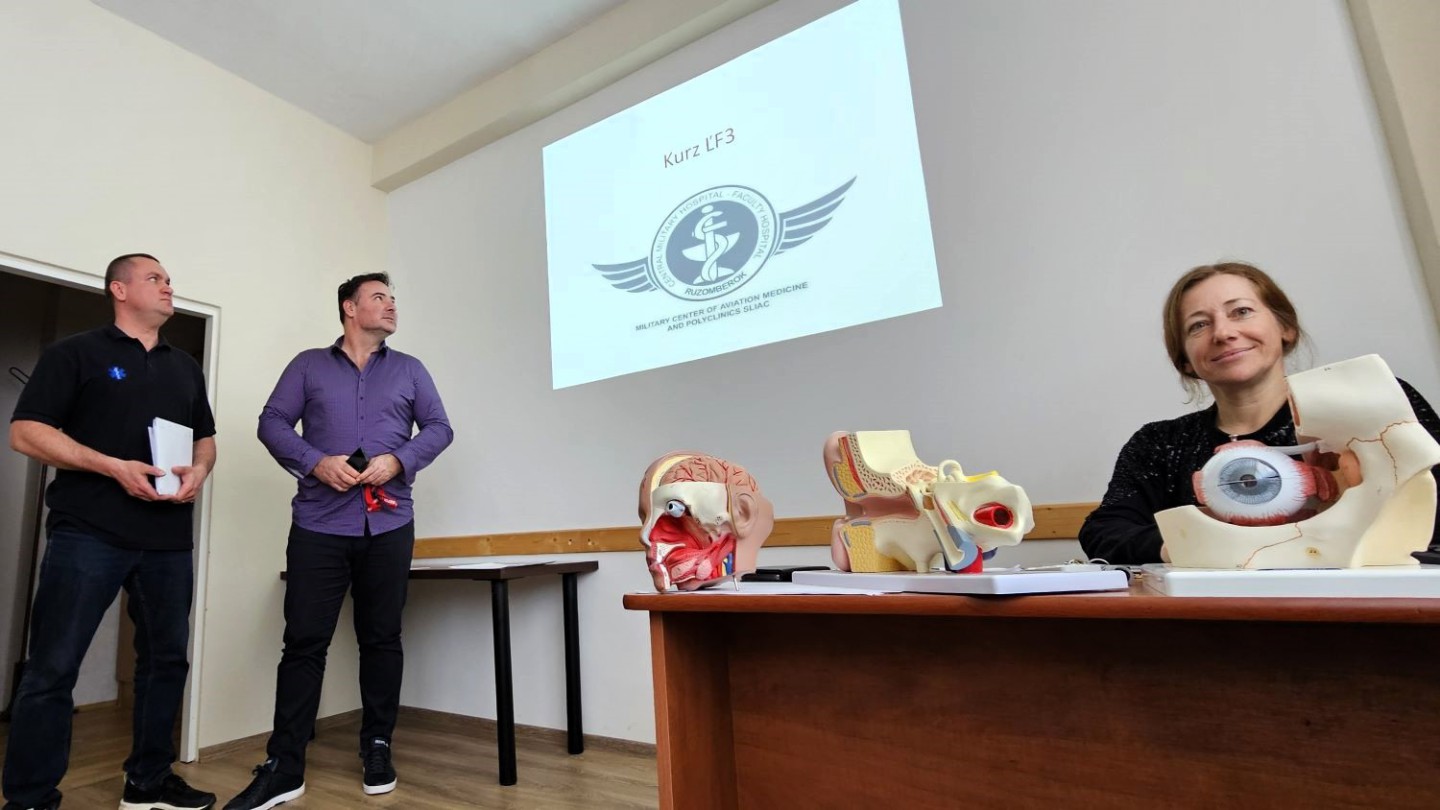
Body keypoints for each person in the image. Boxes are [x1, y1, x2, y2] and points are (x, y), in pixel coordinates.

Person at [226, 273, 452, 810]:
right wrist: (314, 462)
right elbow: (272, 422)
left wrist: (398, 460)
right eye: (379, 298)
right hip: (318, 526)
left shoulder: (410, 369)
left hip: (389, 526)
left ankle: (378, 746)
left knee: (382, 638)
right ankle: (284, 767)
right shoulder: (307, 365)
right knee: (304, 643)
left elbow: (439, 428)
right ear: (350, 308)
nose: (391, 306)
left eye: (393, 298)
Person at [4, 254, 217, 810]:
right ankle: (30, 798)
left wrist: (199, 469)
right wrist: (112, 466)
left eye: (169, 279)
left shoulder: (185, 367)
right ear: (119, 290)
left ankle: (148, 783)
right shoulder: (74, 353)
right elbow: (26, 433)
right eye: (155, 278)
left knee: (166, 661)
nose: (169, 286)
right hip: (88, 532)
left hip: (168, 539)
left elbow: (205, 438)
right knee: (53, 667)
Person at [1078, 261, 1440, 565]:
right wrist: (1196, 544)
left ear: (1285, 328)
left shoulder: (1369, 402)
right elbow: (1105, 532)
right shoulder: (1157, 442)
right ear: (1184, 359)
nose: (1223, 332)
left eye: (1241, 312)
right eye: (1198, 325)